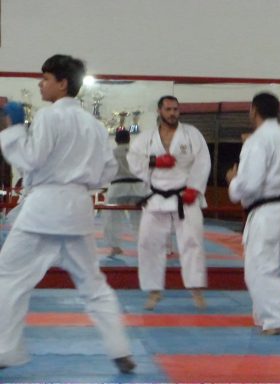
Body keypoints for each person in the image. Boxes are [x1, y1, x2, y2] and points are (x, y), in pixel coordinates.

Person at [0, 55, 136, 373]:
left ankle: (5, 350)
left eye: (45, 78)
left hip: (43, 209)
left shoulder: (49, 118)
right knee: (93, 284)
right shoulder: (93, 125)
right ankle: (120, 350)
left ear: (62, 83)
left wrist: (14, 130)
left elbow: (32, 160)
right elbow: (106, 172)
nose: (40, 84)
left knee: (8, 278)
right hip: (78, 209)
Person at [127, 95, 211, 310]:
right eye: (168, 109)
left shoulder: (191, 134)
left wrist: (195, 187)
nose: (173, 113)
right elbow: (133, 159)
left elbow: (203, 161)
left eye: (175, 109)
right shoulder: (146, 137)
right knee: (148, 243)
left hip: (186, 197)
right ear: (159, 111)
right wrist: (155, 161)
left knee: (193, 242)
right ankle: (154, 291)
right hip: (156, 197)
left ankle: (196, 290)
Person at [226, 92, 280, 335]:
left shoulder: (257, 141)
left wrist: (233, 182)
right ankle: (263, 316)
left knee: (259, 269)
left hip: (267, 212)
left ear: (254, 110)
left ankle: (277, 319)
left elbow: (251, 183)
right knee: (274, 270)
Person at [103, 129, 147, 257]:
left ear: (116, 140)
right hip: (138, 188)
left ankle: (115, 247)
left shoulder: (111, 153)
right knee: (139, 219)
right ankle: (143, 246)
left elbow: (106, 171)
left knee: (112, 218)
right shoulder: (138, 153)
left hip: (118, 187)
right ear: (129, 139)